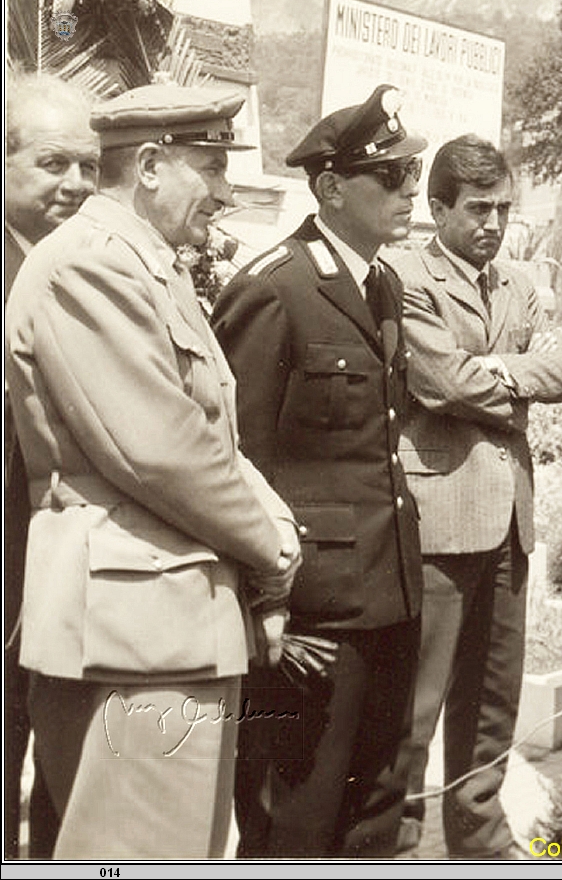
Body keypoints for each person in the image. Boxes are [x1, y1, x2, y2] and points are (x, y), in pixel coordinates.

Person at [4, 83, 301, 859]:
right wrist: (272, 548)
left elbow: (208, 433)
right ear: (149, 166)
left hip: (166, 625)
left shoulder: (146, 264)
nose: (226, 193)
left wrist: (270, 529)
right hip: (131, 635)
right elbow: (163, 453)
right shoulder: (91, 266)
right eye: (211, 166)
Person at [212, 84, 425, 857]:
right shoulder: (275, 287)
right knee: (294, 824)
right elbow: (234, 460)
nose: (410, 191)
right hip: (313, 615)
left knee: (373, 815)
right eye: (392, 177)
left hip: (389, 599)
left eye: (412, 172)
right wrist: (267, 611)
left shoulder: (382, 282)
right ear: (332, 188)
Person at [391, 134, 562, 859]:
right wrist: (513, 374)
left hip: (509, 517)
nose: (494, 223)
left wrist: (493, 371)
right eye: (477, 208)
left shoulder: (519, 282)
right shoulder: (405, 276)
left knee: (493, 696)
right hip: (438, 517)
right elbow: (439, 381)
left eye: (503, 208)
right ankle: (399, 842)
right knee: (418, 701)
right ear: (437, 207)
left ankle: (478, 833)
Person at [4, 71, 99, 861]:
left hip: (77, 582)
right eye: (53, 163)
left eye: (90, 167)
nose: (76, 184)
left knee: (73, 800)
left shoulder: (94, 267)